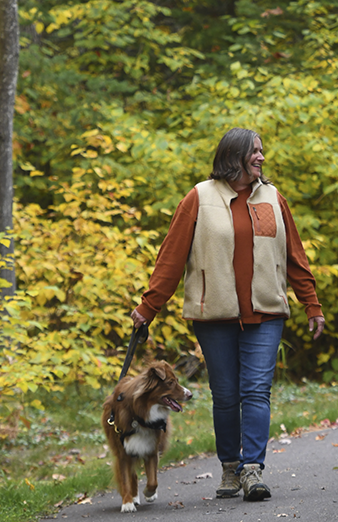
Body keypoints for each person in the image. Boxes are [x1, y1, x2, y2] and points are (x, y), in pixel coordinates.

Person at [131, 127, 325, 501]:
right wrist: (148, 306)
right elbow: (171, 259)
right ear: (234, 155)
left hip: (265, 311)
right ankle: (230, 468)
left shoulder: (273, 198)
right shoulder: (199, 198)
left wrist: (310, 303)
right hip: (214, 314)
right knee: (225, 395)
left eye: (262, 152)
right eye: (255, 151)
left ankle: (253, 469)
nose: (261, 158)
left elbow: (294, 257)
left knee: (256, 390)